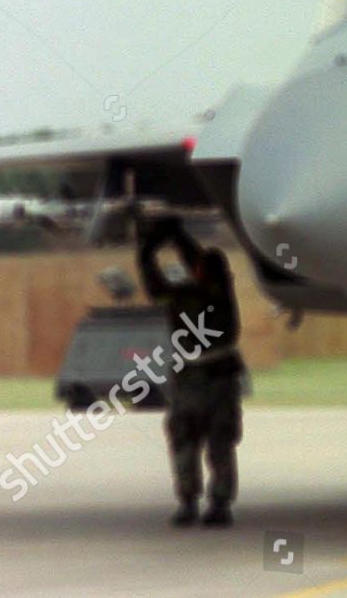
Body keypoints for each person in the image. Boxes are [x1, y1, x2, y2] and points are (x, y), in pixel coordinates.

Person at [137, 216, 244, 527]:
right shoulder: (214, 291)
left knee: (197, 442)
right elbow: (195, 262)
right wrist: (175, 236)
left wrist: (150, 248)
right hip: (210, 379)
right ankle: (212, 503)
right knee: (211, 443)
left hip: (200, 380)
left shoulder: (193, 294)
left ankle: (195, 502)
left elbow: (155, 282)